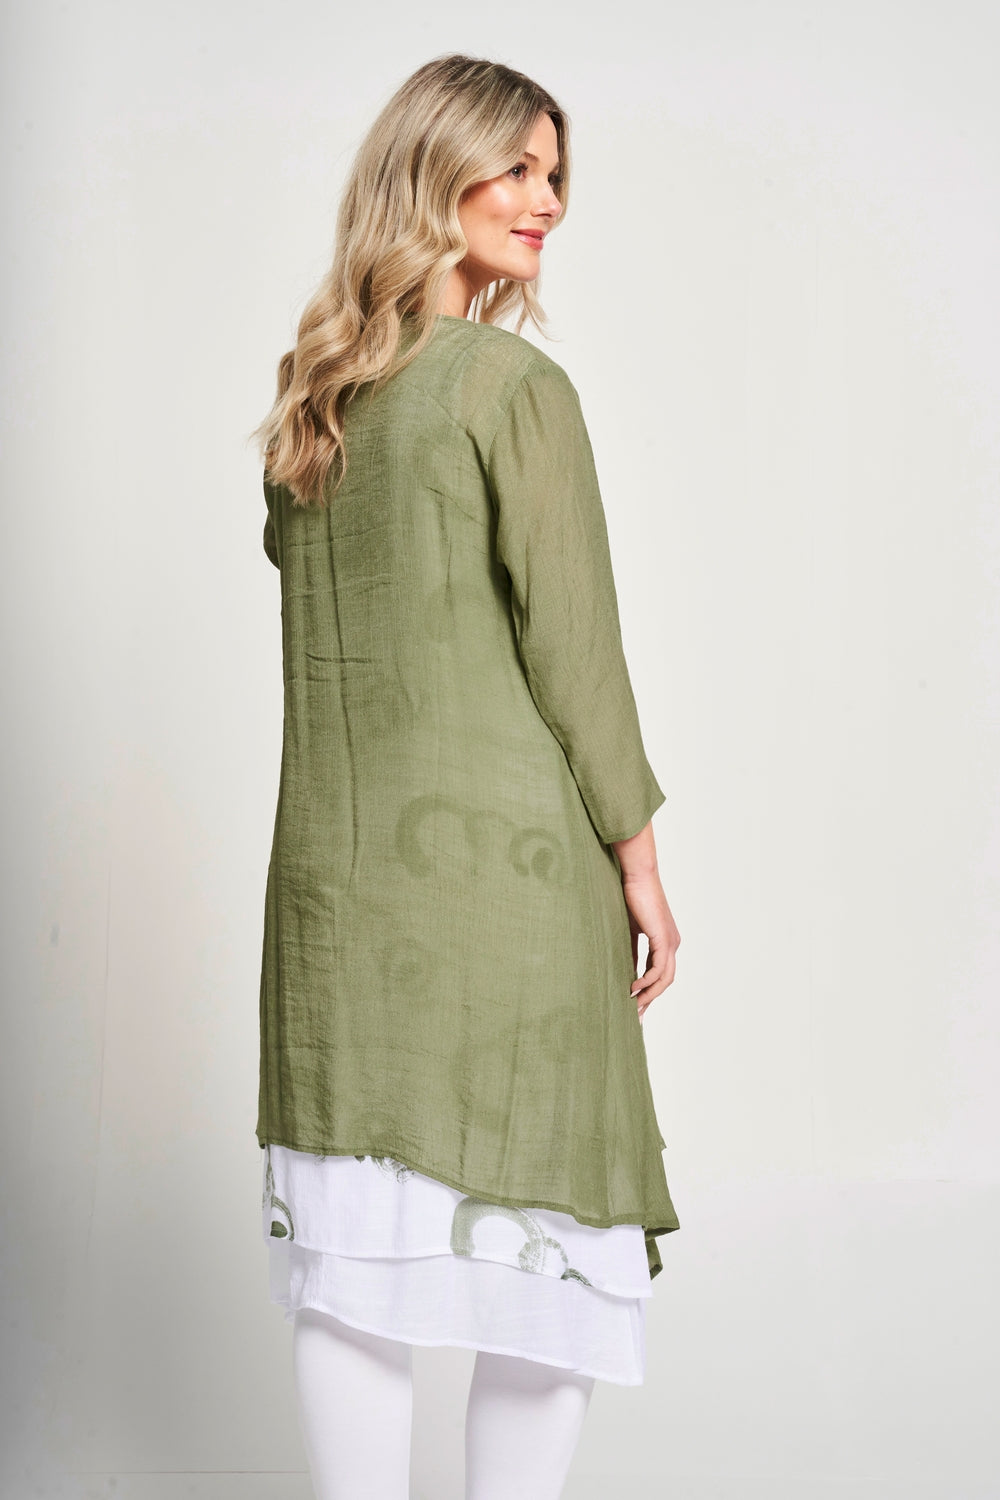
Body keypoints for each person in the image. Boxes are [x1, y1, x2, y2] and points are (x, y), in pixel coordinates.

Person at [252, 52, 682, 1500]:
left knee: (355, 1277)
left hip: (336, 903)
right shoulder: (511, 386)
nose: (544, 199)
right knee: (543, 1273)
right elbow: (577, 647)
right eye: (516, 167)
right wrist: (638, 856)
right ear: (433, 171)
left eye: (555, 175)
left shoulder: (314, 406)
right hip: (505, 893)